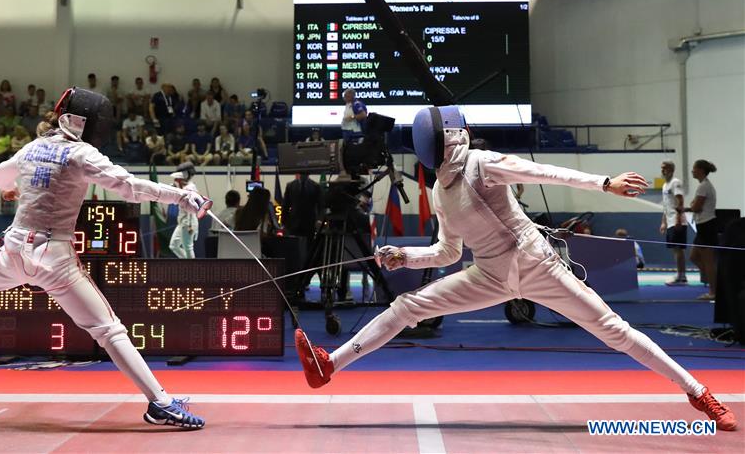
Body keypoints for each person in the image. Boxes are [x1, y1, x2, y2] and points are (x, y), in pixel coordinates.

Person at [294, 106, 737, 432]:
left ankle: (699, 393)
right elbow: (449, 253)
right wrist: (405, 256)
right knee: (409, 305)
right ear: (449, 136)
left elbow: (539, 172)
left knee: (615, 331)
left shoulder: (478, 167)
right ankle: (328, 365)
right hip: (488, 275)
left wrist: (605, 185)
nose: (463, 128)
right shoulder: (448, 191)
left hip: (537, 264)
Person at [0, 87, 209, 429]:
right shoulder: (82, 155)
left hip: (14, 250)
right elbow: (130, 188)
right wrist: (182, 198)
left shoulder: (33, 147)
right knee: (109, 330)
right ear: (77, 122)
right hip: (54, 258)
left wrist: (13, 188)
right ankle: (160, 404)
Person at [682, 159, 719, 300]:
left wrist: (684, 209)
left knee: (709, 262)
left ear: (701, 171)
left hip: (707, 226)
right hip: (702, 226)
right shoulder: (703, 186)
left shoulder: (704, 186)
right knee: (694, 257)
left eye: (694, 168)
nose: (692, 171)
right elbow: (695, 205)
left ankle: (714, 292)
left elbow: (696, 207)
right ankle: (714, 283)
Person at [660, 160, 688, 286]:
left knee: (678, 249)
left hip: (678, 221)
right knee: (675, 250)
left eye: (665, 168)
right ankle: (680, 274)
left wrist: (678, 219)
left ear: (671, 169)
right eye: (662, 168)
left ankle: (682, 276)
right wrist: (663, 222)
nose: (662, 170)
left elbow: (680, 201)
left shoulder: (675, 183)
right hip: (670, 221)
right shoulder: (665, 185)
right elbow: (666, 206)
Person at [169, 163, 199, 260]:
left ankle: (192, 270)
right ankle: (188, 264)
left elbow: (191, 207)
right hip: (182, 222)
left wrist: (189, 225)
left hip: (188, 223)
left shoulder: (190, 188)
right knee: (173, 245)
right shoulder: (184, 187)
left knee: (188, 248)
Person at [282, 173, 323, 238]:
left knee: (309, 245)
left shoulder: (316, 186)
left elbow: (320, 206)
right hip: (294, 224)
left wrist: (319, 220)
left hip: (309, 224)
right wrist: (284, 222)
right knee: (294, 245)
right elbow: (286, 205)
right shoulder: (290, 186)